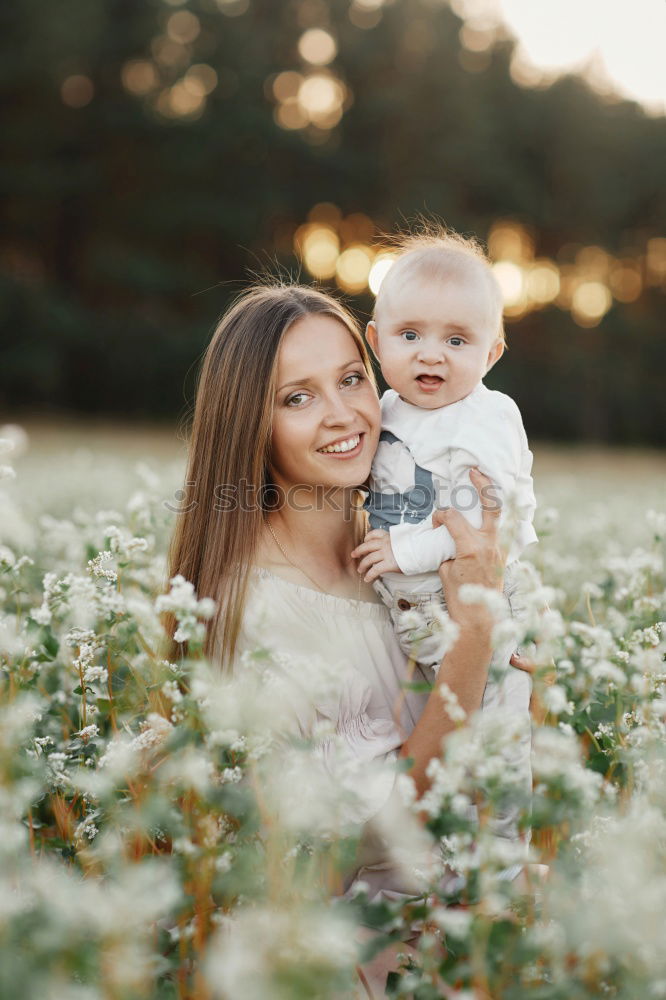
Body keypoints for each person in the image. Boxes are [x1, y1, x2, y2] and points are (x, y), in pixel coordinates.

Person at [165, 281, 520, 993]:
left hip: (457, 939)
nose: (343, 414)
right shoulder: (254, 610)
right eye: (297, 398)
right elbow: (357, 844)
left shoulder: (398, 554)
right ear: (249, 427)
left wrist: (504, 631)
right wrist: (475, 638)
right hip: (355, 966)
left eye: (352, 378)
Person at [353, 229, 537, 848]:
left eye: (457, 340)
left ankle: (499, 874)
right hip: (414, 619)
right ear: (376, 343)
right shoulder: (388, 409)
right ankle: (438, 873)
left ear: (492, 353)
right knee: (436, 745)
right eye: (411, 336)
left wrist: (404, 552)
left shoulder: (487, 415)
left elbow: (486, 520)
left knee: (495, 751)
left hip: (475, 601)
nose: (431, 355)